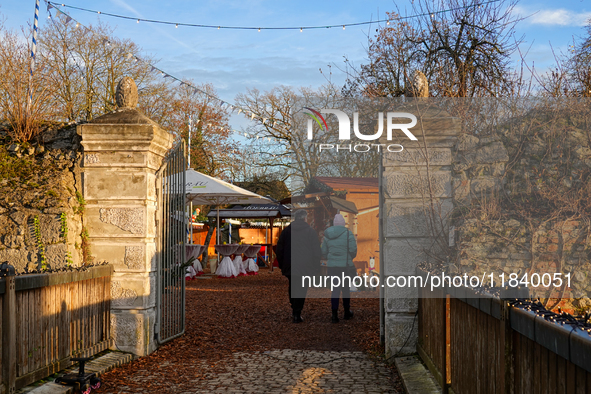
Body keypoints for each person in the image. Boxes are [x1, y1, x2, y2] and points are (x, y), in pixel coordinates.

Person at [276, 209, 321, 323]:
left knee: (293, 285)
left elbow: (279, 249)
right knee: (302, 288)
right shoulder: (310, 232)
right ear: (305, 218)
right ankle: (297, 311)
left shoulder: (286, 231)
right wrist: (316, 265)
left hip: (290, 264)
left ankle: (294, 306)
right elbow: (316, 250)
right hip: (305, 265)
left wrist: (282, 264)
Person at [321, 213, 357, 323]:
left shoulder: (327, 235)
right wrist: (348, 257)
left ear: (334, 224)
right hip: (345, 267)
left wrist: (331, 258)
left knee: (335, 290)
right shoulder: (348, 234)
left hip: (332, 267)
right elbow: (353, 250)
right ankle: (346, 312)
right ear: (343, 223)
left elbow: (323, 252)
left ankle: (334, 315)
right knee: (346, 290)